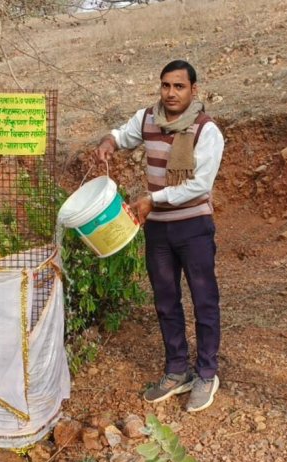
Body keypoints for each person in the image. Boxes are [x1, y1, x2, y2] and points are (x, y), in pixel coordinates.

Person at [95, 60, 224, 413]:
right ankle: (176, 370)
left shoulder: (206, 131)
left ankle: (207, 373)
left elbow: (200, 187)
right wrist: (109, 140)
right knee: (165, 301)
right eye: (166, 85)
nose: (171, 93)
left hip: (193, 227)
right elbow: (122, 135)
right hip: (158, 230)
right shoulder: (147, 119)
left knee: (204, 301)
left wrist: (154, 199)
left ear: (193, 90)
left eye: (179, 86)